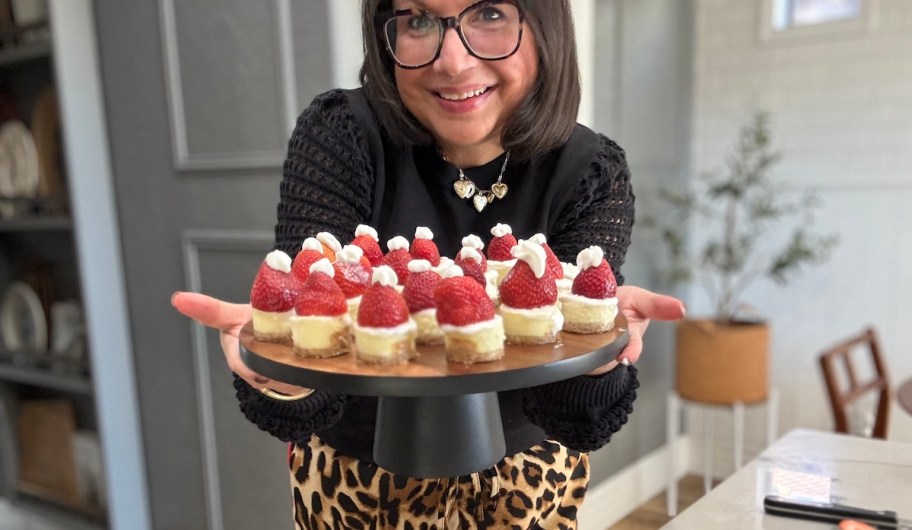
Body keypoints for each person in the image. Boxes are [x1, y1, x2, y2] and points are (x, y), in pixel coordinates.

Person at [172, 0, 685, 528]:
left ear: (543, 24)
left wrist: (598, 351)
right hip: (354, 493)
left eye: (488, 14)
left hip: (526, 495)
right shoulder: (342, 134)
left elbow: (578, 420)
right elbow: (307, 403)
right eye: (418, 19)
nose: (454, 62)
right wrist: (282, 365)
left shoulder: (591, 172)